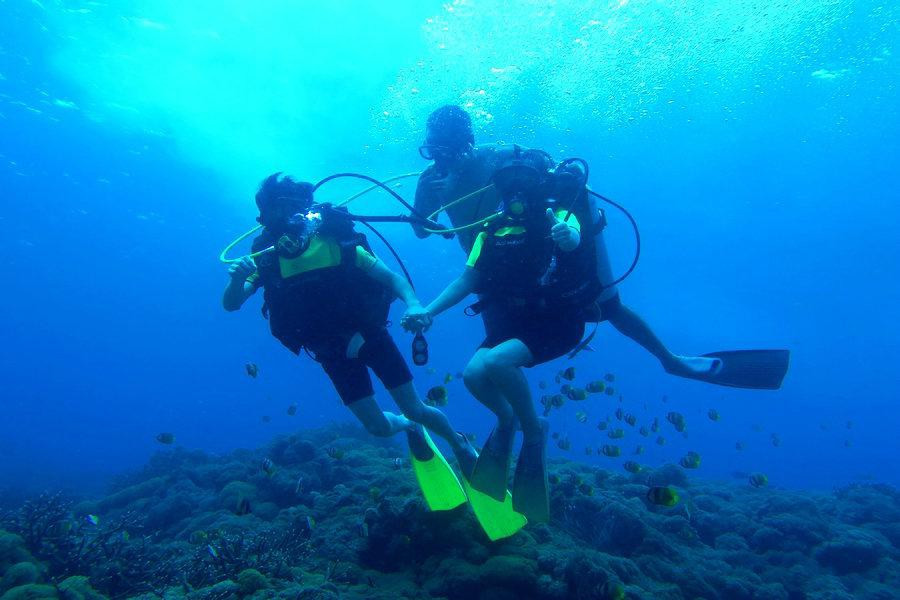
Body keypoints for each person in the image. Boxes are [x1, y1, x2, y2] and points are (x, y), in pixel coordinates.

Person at [412, 105, 789, 390]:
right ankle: (516, 425)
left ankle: (670, 359)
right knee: (498, 354)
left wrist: (565, 225)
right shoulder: (431, 179)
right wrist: (433, 207)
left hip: (536, 255)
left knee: (607, 306)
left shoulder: (500, 158)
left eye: (449, 150)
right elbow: (420, 231)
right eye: (433, 151)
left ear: (468, 142)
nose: (442, 159)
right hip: (488, 269)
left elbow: (551, 186)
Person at [223, 172, 477, 515]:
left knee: (415, 406)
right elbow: (232, 303)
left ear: (294, 208)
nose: (269, 219)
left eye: (274, 209)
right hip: (331, 354)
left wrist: (414, 304)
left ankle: (459, 445)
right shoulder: (266, 257)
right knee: (379, 427)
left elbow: (391, 278)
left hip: (370, 336)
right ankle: (410, 428)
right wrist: (237, 281)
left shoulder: (334, 240)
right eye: (266, 211)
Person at [403, 147, 593, 523]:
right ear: (498, 189)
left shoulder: (556, 215)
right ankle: (507, 421)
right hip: (516, 323)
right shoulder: (490, 230)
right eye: (508, 185)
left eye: (524, 185)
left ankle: (533, 431)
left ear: (537, 186)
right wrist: (428, 311)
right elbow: (467, 279)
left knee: (497, 362)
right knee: (474, 375)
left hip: (558, 320)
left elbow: (572, 235)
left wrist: (567, 235)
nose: (516, 193)